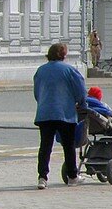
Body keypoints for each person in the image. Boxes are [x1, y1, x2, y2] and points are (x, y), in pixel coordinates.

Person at [33, 42, 85, 189]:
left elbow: (37, 93)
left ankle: (42, 178)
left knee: (45, 146)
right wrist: (81, 104)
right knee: (68, 146)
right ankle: (72, 176)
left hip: (45, 113)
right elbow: (80, 91)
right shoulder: (70, 70)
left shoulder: (40, 71)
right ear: (63, 55)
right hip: (65, 113)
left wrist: (43, 103)